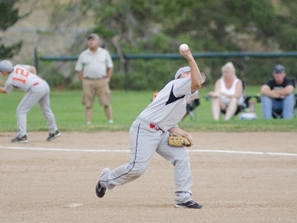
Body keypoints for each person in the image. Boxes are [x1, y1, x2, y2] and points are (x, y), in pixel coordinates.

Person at [95, 45, 204, 209]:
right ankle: (106, 178)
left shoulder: (181, 101)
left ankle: (183, 197)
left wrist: (184, 133)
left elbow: (169, 124)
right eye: (190, 73)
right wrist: (190, 58)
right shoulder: (177, 84)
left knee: (181, 158)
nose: (196, 77)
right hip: (145, 129)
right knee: (137, 169)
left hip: (160, 132)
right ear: (182, 75)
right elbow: (196, 83)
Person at [0, 60, 61, 143]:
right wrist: (35, 79)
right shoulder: (18, 67)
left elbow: (5, 91)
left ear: (4, 72)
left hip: (36, 88)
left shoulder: (10, 81)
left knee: (21, 110)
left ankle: (22, 136)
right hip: (43, 83)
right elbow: (32, 68)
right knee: (46, 110)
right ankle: (54, 131)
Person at [75, 33, 114, 125]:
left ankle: (110, 121)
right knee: (88, 104)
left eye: (93, 40)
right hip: (88, 81)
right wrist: (83, 80)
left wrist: (108, 78)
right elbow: (79, 69)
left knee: (106, 102)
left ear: (98, 42)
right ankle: (88, 123)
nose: (91, 42)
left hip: (102, 80)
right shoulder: (84, 54)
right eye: (89, 40)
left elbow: (110, 67)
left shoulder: (104, 53)